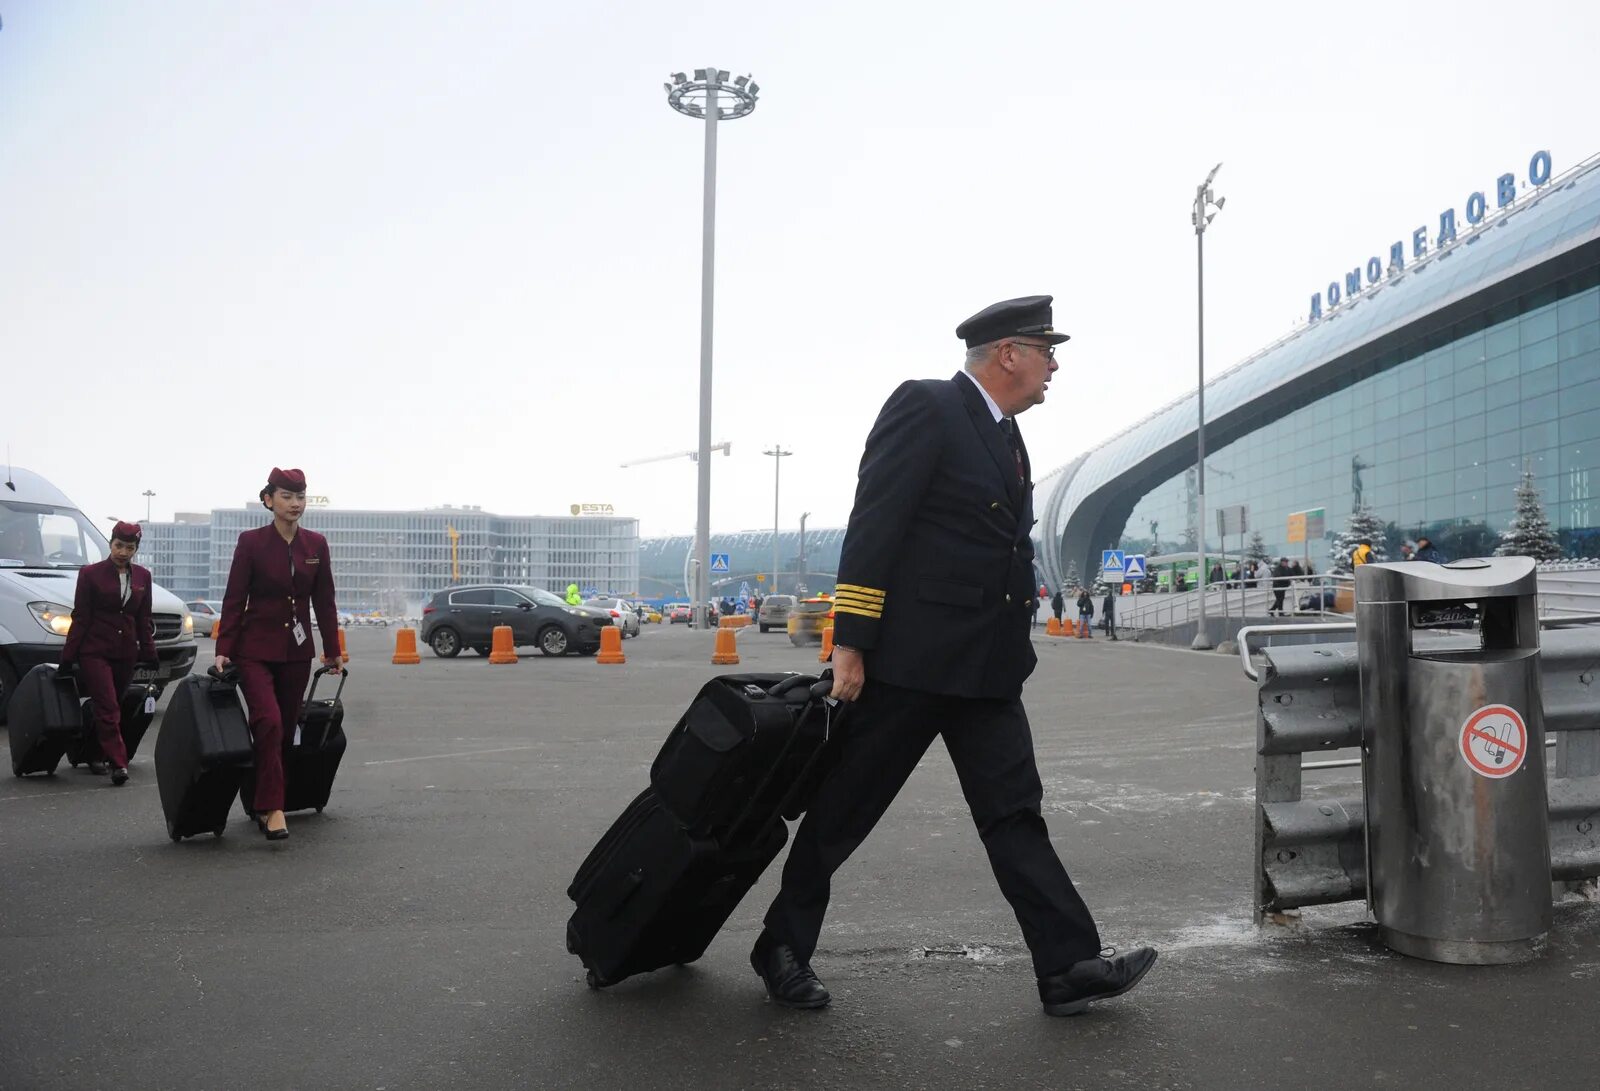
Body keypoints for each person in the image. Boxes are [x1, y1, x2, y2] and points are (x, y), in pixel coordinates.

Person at [750, 295, 1159, 1018]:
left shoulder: (1007, 437)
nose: (1054, 364)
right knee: (844, 812)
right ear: (1008, 354)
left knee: (1015, 815)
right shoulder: (929, 407)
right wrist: (851, 642)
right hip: (910, 664)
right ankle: (781, 945)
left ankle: (1067, 965)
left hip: (988, 673)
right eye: (1045, 349)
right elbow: (875, 525)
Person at [215, 468, 341, 842]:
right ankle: (273, 808)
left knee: (283, 732)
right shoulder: (251, 543)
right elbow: (235, 599)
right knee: (267, 722)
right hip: (253, 651)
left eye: (300, 496)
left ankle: (259, 799)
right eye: (286, 496)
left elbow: (325, 601)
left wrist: (332, 651)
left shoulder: (316, 545)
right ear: (269, 500)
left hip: (297, 653)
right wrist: (224, 649)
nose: (295, 504)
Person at [57, 521, 157, 784]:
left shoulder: (143, 577)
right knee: (108, 706)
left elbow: (143, 619)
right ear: (110, 543)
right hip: (94, 651)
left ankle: (93, 753)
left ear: (136, 549)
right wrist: (69, 657)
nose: (123, 552)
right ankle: (119, 763)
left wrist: (149, 652)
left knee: (113, 707)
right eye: (118, 545)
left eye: (130, 547)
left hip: (126, 653)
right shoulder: (90, 574)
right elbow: (80, 617)